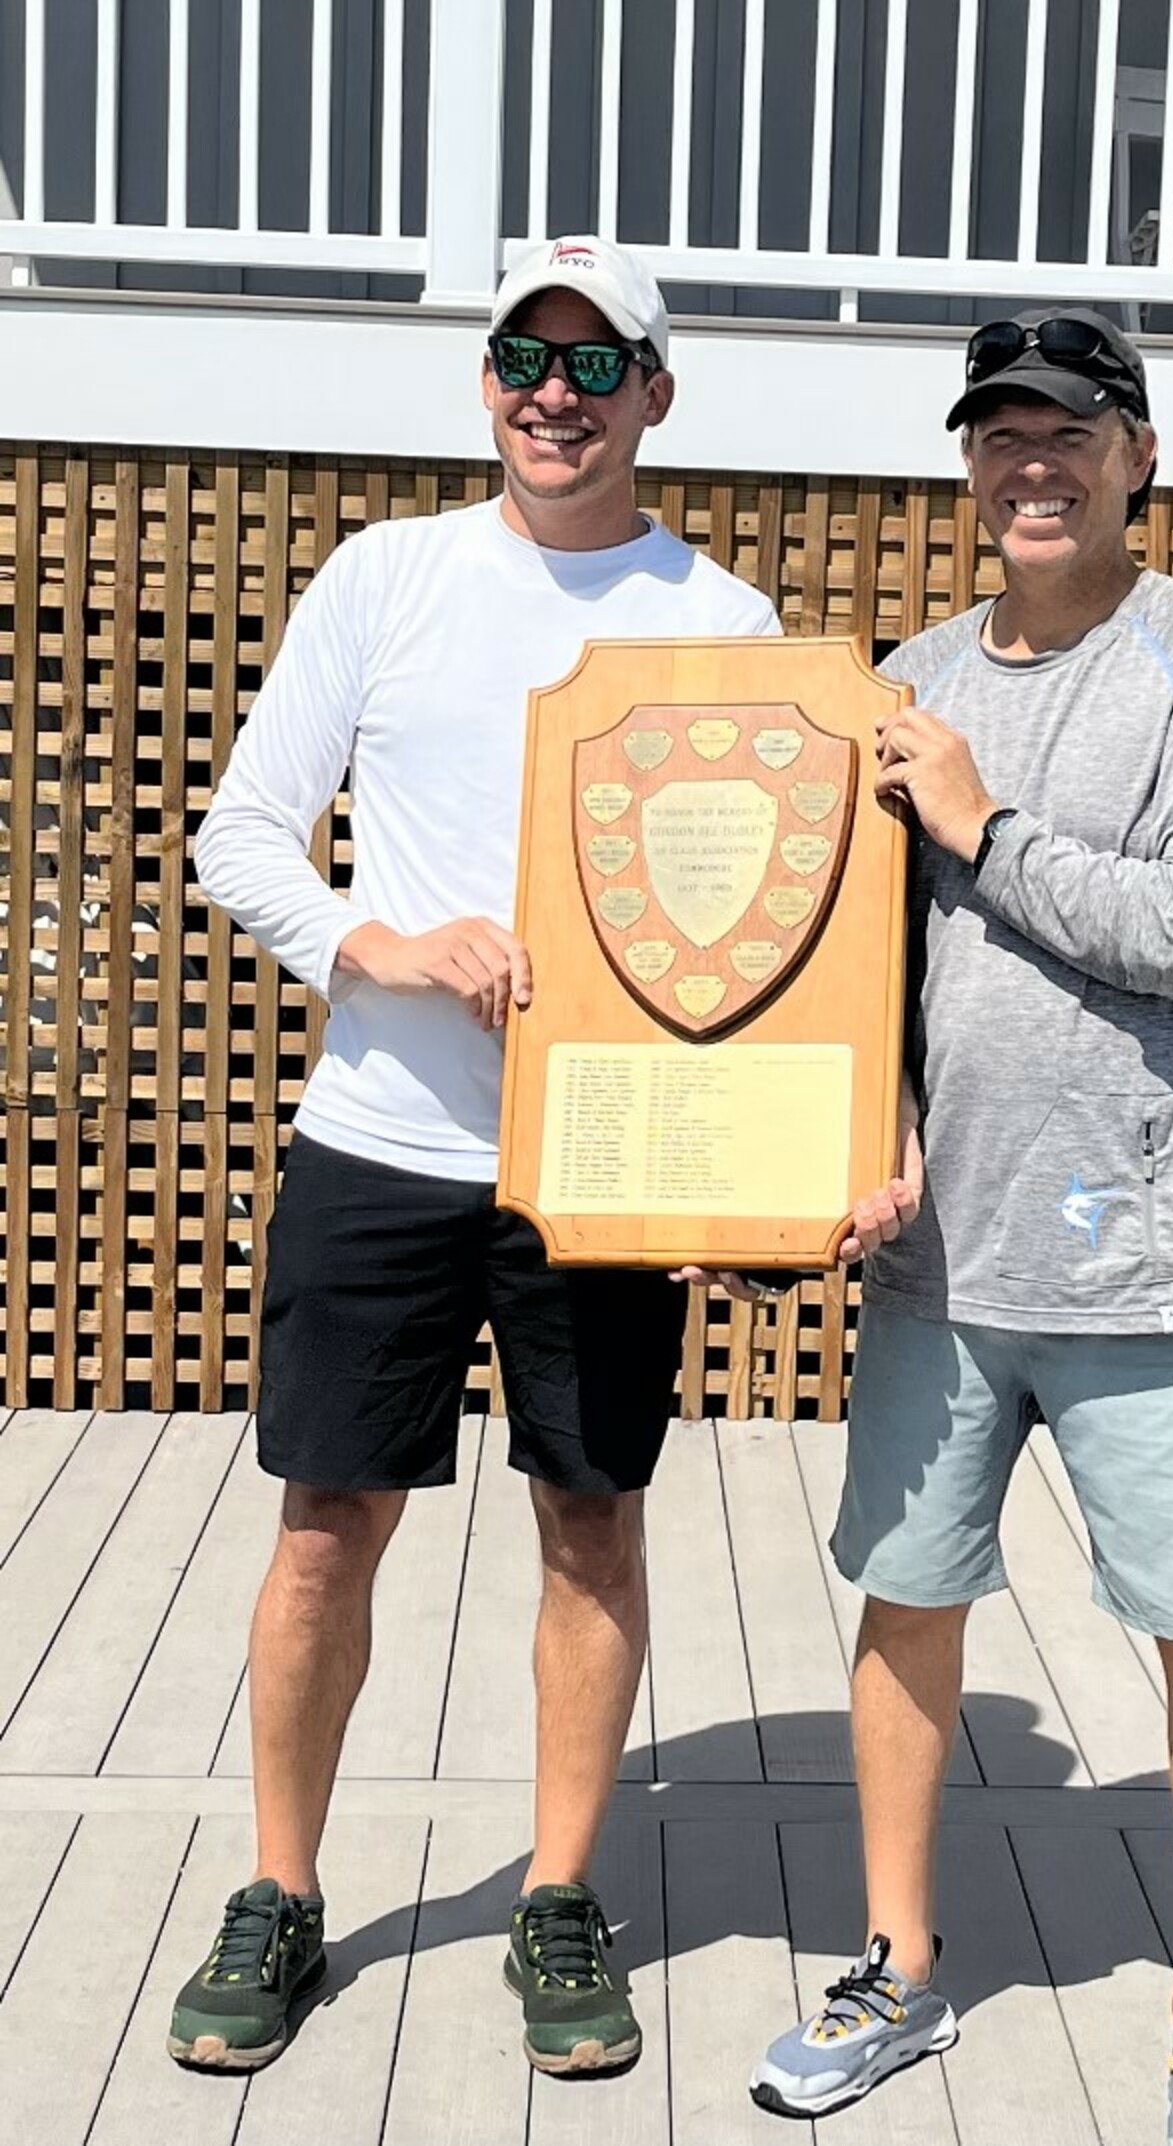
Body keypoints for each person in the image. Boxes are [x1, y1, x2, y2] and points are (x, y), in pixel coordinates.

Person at [172, 234, 796, 2081]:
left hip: (599, 1163)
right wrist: (383, 943)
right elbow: (245, 835)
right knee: (320, 1533)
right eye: (527, 353)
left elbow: (756, 931)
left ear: (657, 401)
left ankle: (562, 1893)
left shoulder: (725, 622)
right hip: (382, 1141)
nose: (555, 391)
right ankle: (283, 1892)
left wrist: (732, 1162)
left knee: (592, 1521)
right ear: (488, 380)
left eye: (599, 368)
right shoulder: (388, 575)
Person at [751, 310, 1173, 2146]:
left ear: (1139, 454)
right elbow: (860, 972)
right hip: (938, 1254)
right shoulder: (906, 676)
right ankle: (899, 1963)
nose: (1031, 465)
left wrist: (985, 827)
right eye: (1000, 434)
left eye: (1069, 431)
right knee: (906, 1601)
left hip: (1143, 1251)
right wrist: (862, 1121)